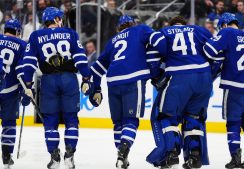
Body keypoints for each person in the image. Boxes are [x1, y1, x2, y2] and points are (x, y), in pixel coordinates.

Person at [22, 7, 92, 169]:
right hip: (69, 79)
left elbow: (29, 63)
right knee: (71, 120)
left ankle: (54, 156)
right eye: (59, 18)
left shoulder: (36, 36)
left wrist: (27, 84)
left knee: (50, 121)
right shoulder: (70, 33)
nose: (61, 20)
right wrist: (86, 78)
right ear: (56, 19)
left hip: (48, 81)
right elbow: (81, 58)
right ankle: (69, 155)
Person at [203, 12, 244, 168]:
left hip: (235, 86)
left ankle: (235, 158)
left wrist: (221, 53)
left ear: (225, 25)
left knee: (233, 123)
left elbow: (209, 51)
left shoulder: (226, 32)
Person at [89, 15, 156, 169]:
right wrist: (156, 69)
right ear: (133, 24)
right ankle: (124, 150)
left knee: (118, 123)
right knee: (131, 120)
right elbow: (159, 40)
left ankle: (121, 156)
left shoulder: (112, 41)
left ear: (118, 28)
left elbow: (97, 69)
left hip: (113, 82)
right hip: (134, 78)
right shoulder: (140, 29)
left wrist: (96, 88)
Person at [147, 16, 213, 169]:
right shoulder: (199, 30)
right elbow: (216, 53)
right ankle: (194, 156)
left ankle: (172, 152)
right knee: (193, 117)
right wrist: (211, 75)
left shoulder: (164, 32)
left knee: (166, 116)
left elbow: (151, 56)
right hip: (203, 77)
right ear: (185, 24)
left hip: (178, 77)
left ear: (171, 24)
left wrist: (156, 77)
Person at [0, 19, 26, 169]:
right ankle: (6, 155)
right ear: (17, 32)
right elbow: (22, 69)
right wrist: (26, 88)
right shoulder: (22, 45)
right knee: (9, 123)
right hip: (11, 90)